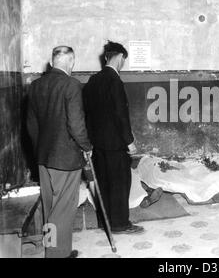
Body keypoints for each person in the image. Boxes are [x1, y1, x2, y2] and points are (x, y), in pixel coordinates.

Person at [27, 46, 93, 258]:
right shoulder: (72, 85)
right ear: (71, 62)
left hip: (43, 157)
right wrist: (86, 146)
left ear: (53, 60)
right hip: (65, 158)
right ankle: (57, 255)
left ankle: (53, 248)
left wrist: (40, 150)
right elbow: (76, 124)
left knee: (50, 207)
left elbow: (31, 125)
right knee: (63, 208)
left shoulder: (36, 85)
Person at [83, 41, 144, 235]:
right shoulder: (114, 80)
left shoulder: (93, 81)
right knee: (119, 183)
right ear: (119, 57)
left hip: (98, 144)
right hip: (116, 143)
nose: (123, 64)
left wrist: (91, 140)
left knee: (103, 182)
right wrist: (129, 141)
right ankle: (119, 224)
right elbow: (119, 114)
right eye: (123, 60)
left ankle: (105, 222)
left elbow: (88, 114)